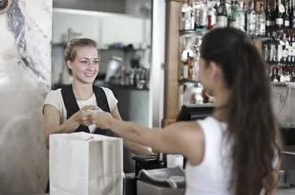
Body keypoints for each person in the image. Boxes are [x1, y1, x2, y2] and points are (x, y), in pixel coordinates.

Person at [92, 28, 282, 195]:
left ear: (213, 69)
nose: (197, 71)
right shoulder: (268, 132)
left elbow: (139, 134)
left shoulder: (197, 135)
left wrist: (108, 121)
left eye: (200, 63)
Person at [43, 38, 152, 192]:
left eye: (95, 61)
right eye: (84, 61)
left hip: (102, 184)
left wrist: (154, 157)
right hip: (67, 183)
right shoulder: (55, 97)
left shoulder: (107, 95)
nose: (91, 68)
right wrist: (75, 119)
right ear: (70, 64)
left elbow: (122, 135)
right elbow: (49, 142)